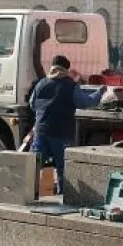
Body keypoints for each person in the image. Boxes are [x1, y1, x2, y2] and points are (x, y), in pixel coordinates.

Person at [29, 56, 105, 193]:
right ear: (66, 69)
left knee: (33, 165)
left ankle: (27, 193)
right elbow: (86, 103)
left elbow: (32, 104)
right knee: (63, 168)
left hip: (40, 131)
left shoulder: (41, 83)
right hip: (60, 132)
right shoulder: (70, 86)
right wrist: (100, 92)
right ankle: (62, 197)